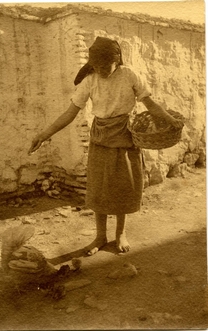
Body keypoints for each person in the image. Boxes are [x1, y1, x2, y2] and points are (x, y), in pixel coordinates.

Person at [28, 37, 183, 256]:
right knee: (99, 188)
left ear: (117, 59)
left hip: (124, 137)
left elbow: (150, 104)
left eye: (104, 66)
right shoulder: (90, 81)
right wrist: (44, 135)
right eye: (96, 66)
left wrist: (169, 120)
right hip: (100, 138)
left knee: (122, 187)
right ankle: (100, 236)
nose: (100, 70)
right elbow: (70, 113)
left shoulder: (129, 75)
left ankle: (120, 233)